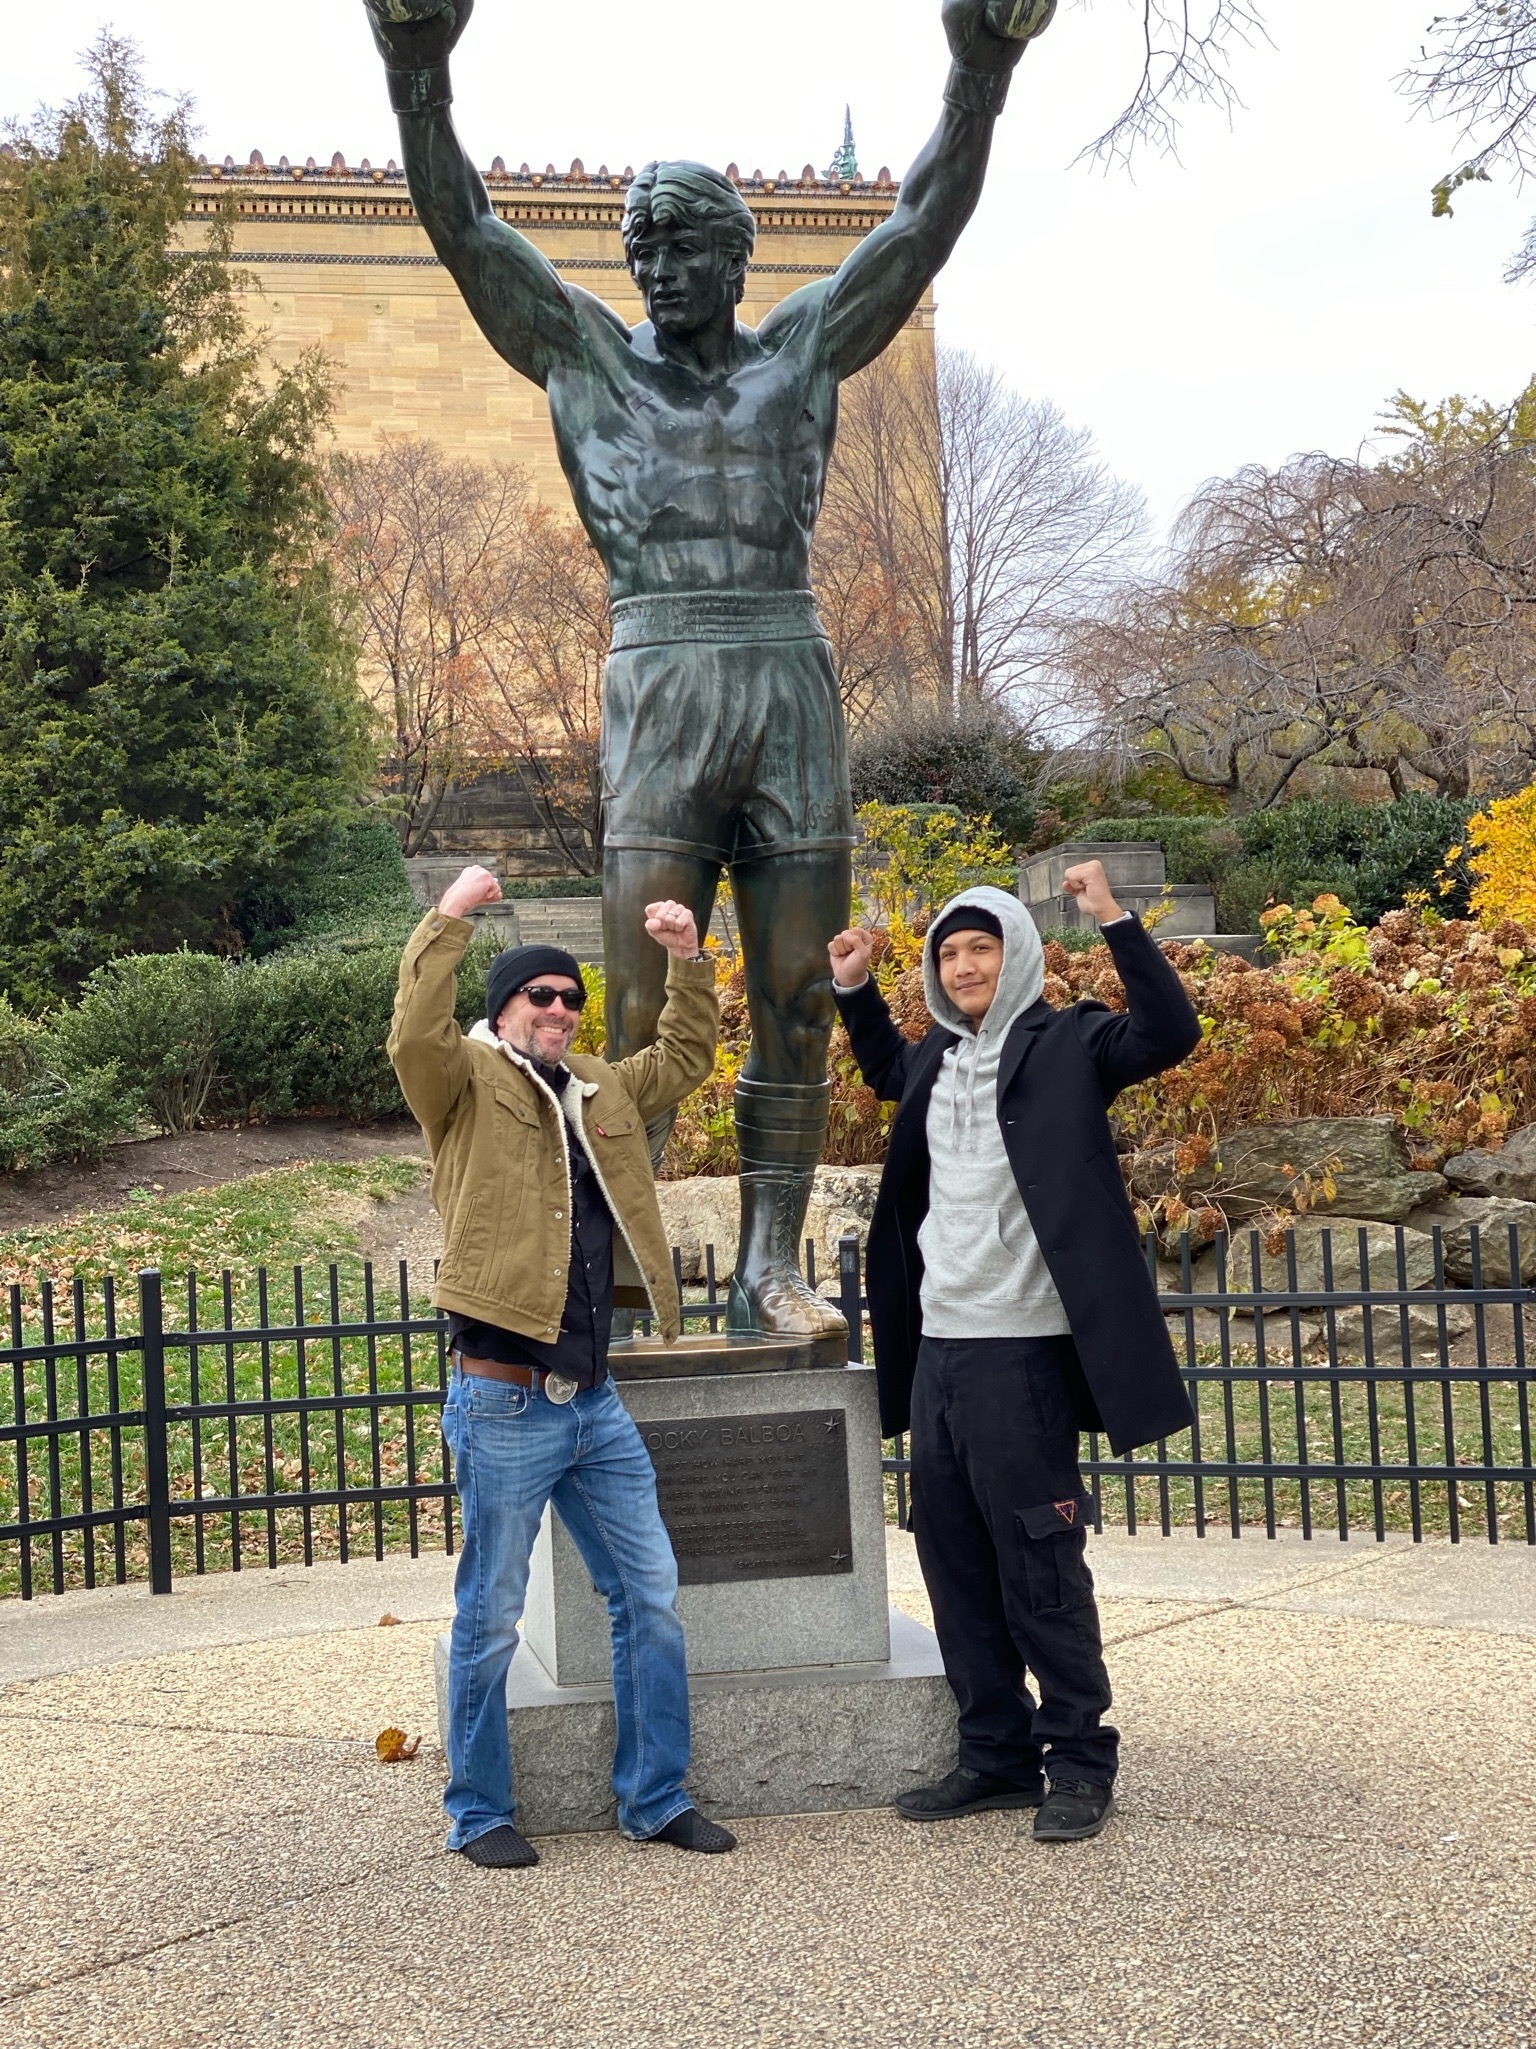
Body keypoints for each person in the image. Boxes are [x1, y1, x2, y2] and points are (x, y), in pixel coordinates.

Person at [360, 0, 1059, 1341]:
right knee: (635, 1009)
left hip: (786, 672)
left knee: (800, 993)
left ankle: (766, 1271)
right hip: (661, 674)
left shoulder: (802, 351)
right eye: (642, 248)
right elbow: (467, 230)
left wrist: (980, 66)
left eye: (682, 245)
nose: (658, 268)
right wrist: (417, 68)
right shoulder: (585, 357)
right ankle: (615, 1273)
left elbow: (920, 225)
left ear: (739, 257)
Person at [827, 861, 1201, 1843]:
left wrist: (1112, 918)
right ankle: (994, 1754)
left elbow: (1171, 1032)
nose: (962, 967)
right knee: (953, 1558)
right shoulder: (934, 1059)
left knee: (1039, 1562)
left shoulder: (1071, 1041)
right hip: (940, 1350)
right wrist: (855, 988)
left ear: (1018, 953)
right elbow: (883, 1068)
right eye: (947, 954)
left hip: (1022, 1351)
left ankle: (1078, 1759)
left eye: (980, 949)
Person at [388, 862, 734, 1868]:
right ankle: (479, 1810)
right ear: (505, 1007)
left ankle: (655, 1797)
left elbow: (685, 1055)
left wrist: (688, 959)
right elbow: (413, 1035)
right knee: (490, 1616)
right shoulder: (462, 1078)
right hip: (501, 1401)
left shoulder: (598, 1085)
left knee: (650, 1597)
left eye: (572, 998)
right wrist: (451, 916)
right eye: (540, 994)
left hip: (596, 1404)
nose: (559, 1008)